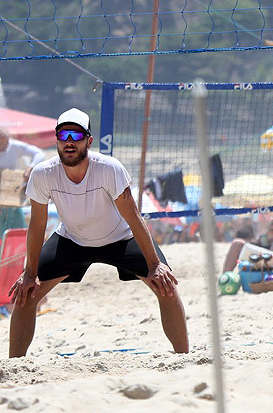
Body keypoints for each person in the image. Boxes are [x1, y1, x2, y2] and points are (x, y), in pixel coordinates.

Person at [7, 108, 189, 357]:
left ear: (89, 141)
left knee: (165, 286)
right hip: (72, 239)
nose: (69, 141)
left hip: (121, 238)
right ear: (57, 140)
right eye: (63, 135)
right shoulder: (43, 173)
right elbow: (37, 225)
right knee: (26, 295)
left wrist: (155, 264)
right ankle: (15, 366)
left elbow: (133, 218)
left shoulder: (109, 168)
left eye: (76, 134)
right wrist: (29, 273)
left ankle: (184, 358)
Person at [0, 128, 45, 236]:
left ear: (7, 140)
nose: (1, 146)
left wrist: (31, 168)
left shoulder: (15, 146)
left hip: (13, 197)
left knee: (16, 231)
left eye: (2, 143)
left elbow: (39, 154)